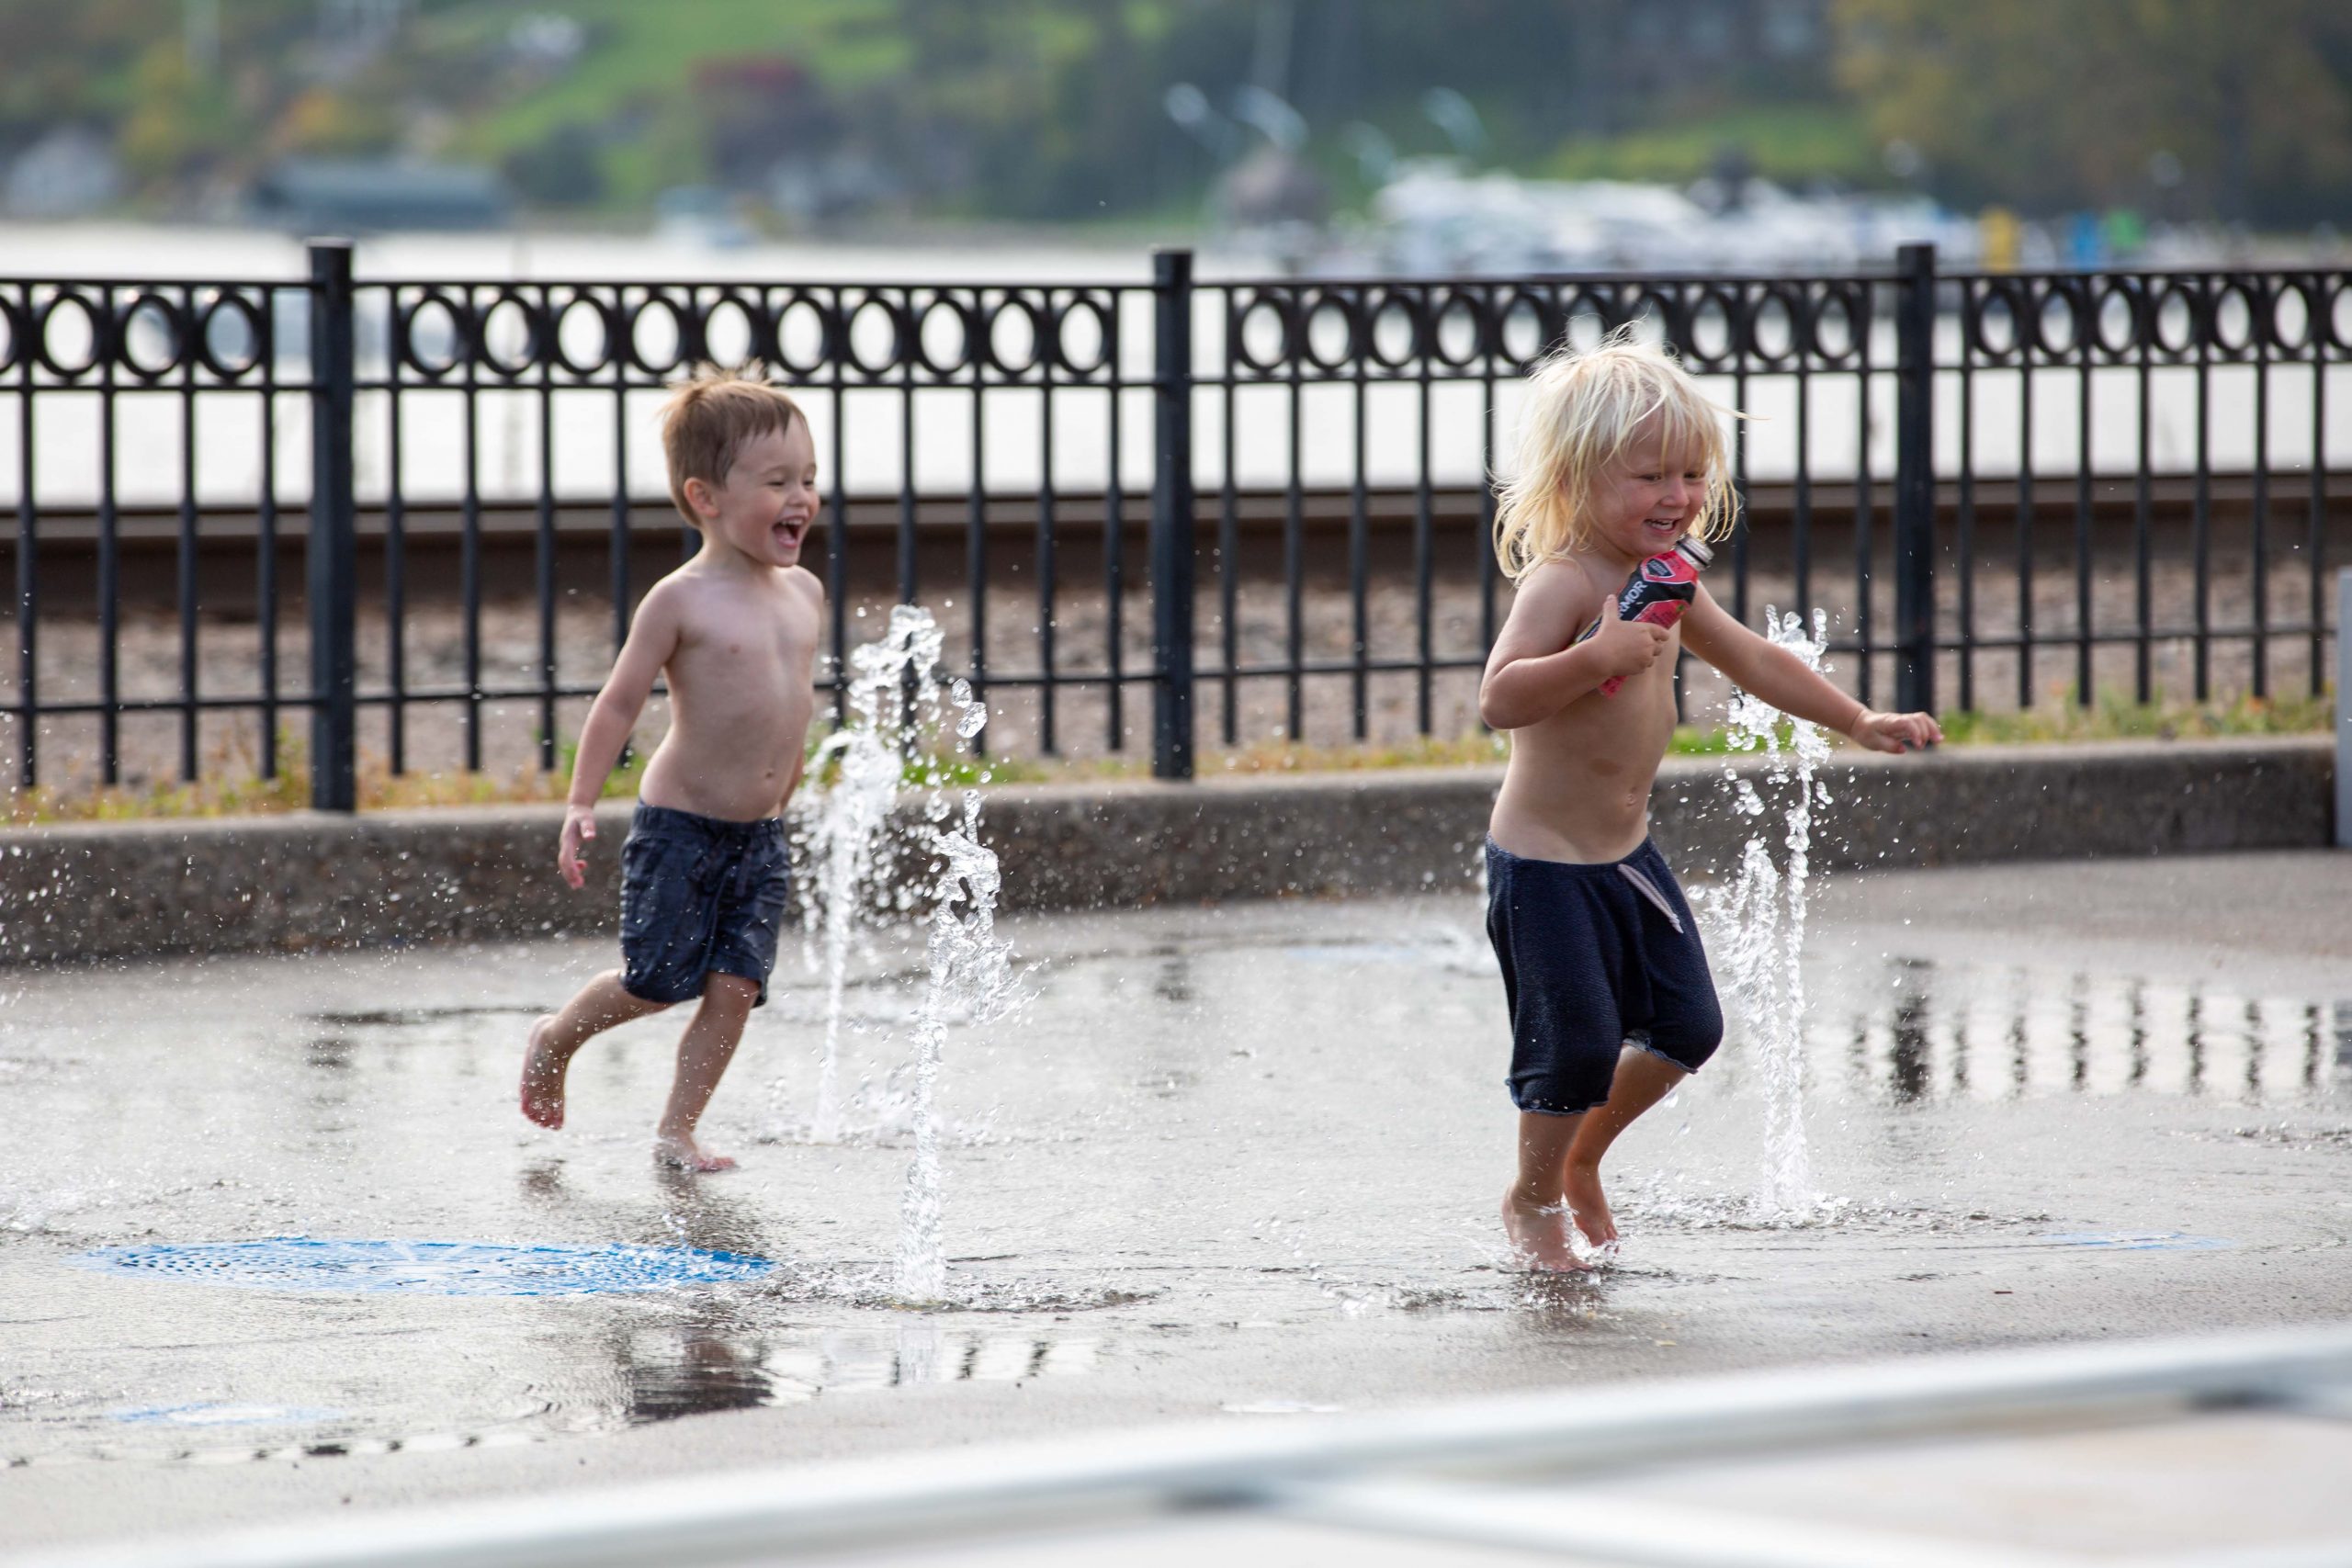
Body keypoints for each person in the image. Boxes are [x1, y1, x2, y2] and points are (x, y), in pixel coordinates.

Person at [1478, 332, 1941, 1270]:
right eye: (1649, 476)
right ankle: (1530, 1202)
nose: (1678, 497)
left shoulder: (1671, 576)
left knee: (1689, 1026)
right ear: (1578, 477)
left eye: (1690, 474)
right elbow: (1499, 696)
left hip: (1626, 856)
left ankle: (1582, 1159)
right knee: (1571, 1049)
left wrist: (1857, 719)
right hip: (1545, 866)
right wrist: (1590, 659)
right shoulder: (1563, 581)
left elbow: (1755, 659)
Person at [518, 366, 825, 1172]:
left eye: (809, 478)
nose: (800, 498)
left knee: (736, 988)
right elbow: (618, 703)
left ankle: (676, 1131)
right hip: (681, 827)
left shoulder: (806, 594)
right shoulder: (679, 601)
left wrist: (788, 777)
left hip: (760, 834)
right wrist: (582, 800)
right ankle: (555, 1037)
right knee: (658, 980)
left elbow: (792, 699)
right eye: (776, 482)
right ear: (706, 497)